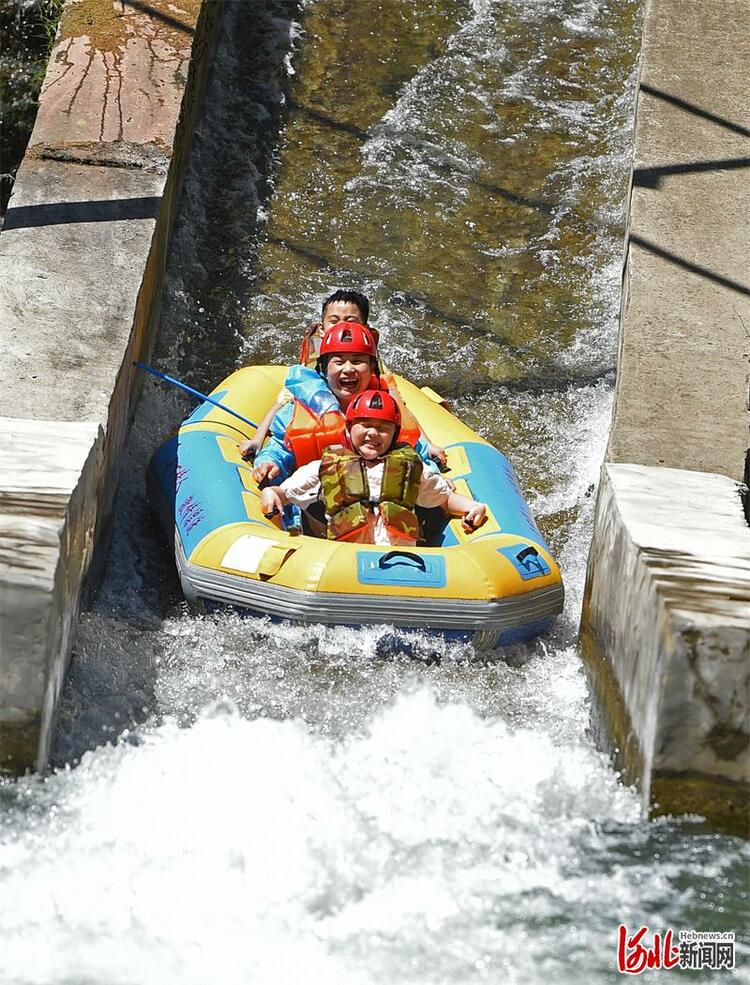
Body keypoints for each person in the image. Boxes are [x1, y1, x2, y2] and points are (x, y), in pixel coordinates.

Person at [238, 289, 446, 467]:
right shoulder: (310, 374)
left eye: (351, 321)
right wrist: (257, 440)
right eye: (334, 321)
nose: (341, 327)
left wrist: (428, 446)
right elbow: (282, 406)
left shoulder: (372, 369)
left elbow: (401, 410)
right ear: (321, 328)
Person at [260, 389, 486, 546]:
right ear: (348, 429)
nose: (372, 433)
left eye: (382, 427)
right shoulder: (325, 467)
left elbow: (443, 498)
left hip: (398, 557)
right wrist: (271, 492)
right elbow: (287, 493)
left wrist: (471, 507)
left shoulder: (411, 469)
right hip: (345, 557)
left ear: (395, 434)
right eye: (364, 425)